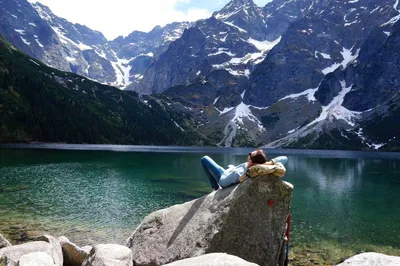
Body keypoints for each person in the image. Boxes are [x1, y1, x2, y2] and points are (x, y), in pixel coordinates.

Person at [201, 149, 286, 190]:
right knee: (230, 165)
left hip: (222, 177)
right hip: (230, 172)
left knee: (204, 159)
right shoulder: (258, 167)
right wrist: (268, 163)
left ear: (252, 161)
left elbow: (223, 182)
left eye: (250, 154)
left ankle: (215, 187)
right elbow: (284, 158)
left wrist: (230, 171)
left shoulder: (242, 172)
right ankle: (229, 168)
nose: (248, 154)